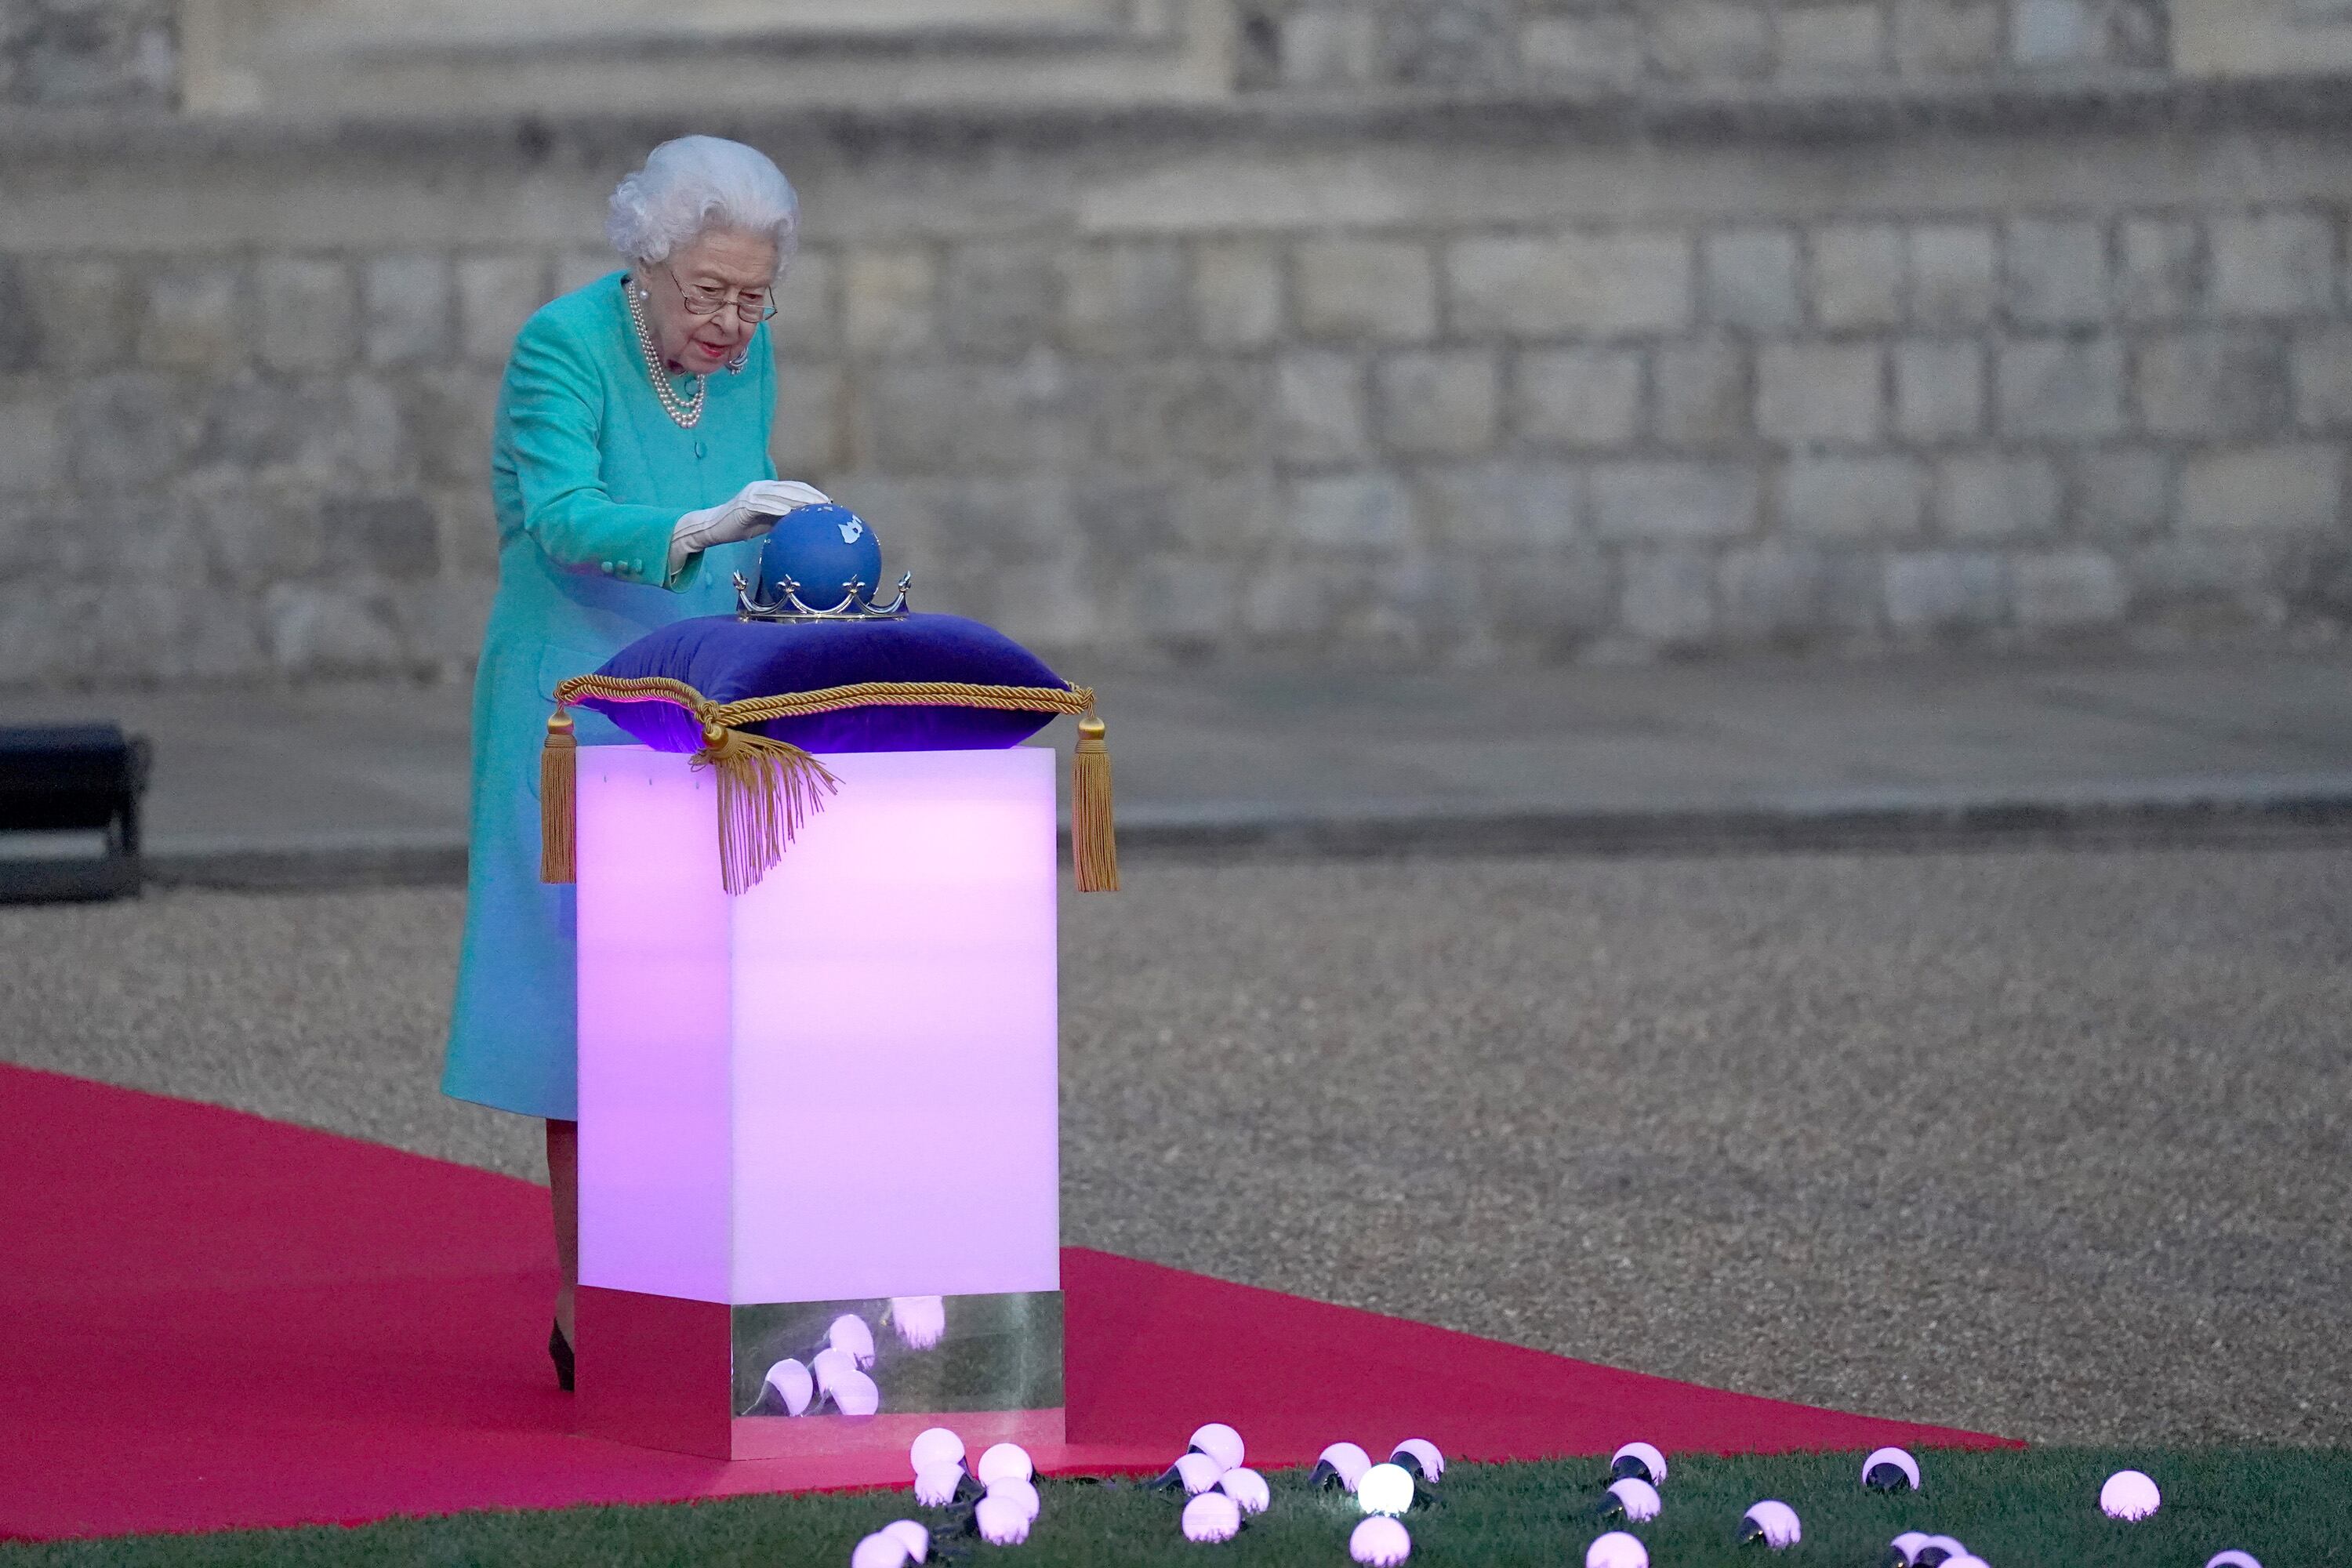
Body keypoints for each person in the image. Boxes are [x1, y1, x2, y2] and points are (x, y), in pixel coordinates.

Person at [440, 136, 828, 1390]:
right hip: (579, 701)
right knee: (591, 1011)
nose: (729, 323)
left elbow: (749, 506)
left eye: (753, 296)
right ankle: (590, 1300)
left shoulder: (747, 353)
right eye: (708, 294)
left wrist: (803, 592)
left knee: (708, 1002)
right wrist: (697, 527)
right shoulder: (564, 343)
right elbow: (559, 512)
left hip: (708, 689)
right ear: (646, 263)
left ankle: (713, 1282)